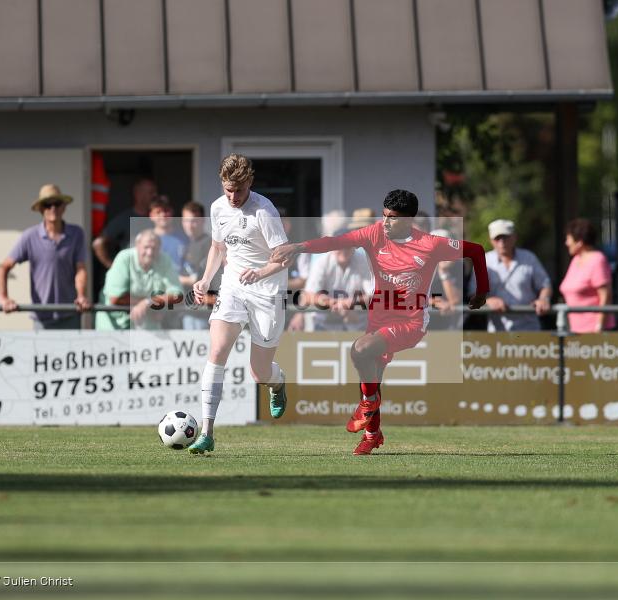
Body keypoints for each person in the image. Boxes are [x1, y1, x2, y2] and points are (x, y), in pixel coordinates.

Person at [272, 189, 489, 455]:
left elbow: (477, 251)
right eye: (384, 215)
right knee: (372, 374)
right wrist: (299, 246)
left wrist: (481, 291)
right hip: (379, 317)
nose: (385, 222)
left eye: (393, 218)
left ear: (408, 220)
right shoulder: (375, 233)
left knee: (360, 351)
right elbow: (335, 242)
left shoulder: (431, 244)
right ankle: (373, 434)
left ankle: (368, 404)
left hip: (411, 322)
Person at [188, 154, 290, 454]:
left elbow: (283, 257)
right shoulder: (218, 208)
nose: (233, 197)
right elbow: (218, 247)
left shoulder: (264, 210)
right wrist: (206, 279)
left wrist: (260, 272)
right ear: (222, 183)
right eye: (228, 189)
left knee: (259, 372)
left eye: (240, 190)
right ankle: (207, 432)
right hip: (232, 286)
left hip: (267, 290)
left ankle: (278, 383)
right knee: (217, 351)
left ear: (250, 183)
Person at [0, 184, 91, 329]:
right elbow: (4, 267)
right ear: (41, 209)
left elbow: (80, 269)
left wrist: (81, 295)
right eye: (48, 205)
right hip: (41, 317)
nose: (53, 208)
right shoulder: (30, 236)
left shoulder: (76, 233)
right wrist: (4, 299)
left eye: (57, 203)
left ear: (64, 207)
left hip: (70, 314)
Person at [96, 230, 183, 330]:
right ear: (137, 246)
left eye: (154, 248)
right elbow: (116, 298)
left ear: (159, 248)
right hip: (115, 325)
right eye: (146, 247)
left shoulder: (164, 259)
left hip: (148, 327)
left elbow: (178, 296)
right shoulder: (124, 258)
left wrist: (149, 302)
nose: (149, 252)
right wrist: (152, 304)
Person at [483, 219, 551, 331]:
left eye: (505, 237)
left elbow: (545, 284)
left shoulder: (529, 258)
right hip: (497, 331)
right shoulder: (484, 260)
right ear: (491, 240)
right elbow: (474, 292)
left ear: (514, 237)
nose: (502, 242)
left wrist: (544, 299)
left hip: (528, 329)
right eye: (497, 238)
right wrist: (488, 300)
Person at [301, 227, 374, 332]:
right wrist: (334, 304)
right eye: (339, 246)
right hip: (323, 326)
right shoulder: (322, 262)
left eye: (347, 246)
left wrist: (350, 303)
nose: (343, 250)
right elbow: (307, 296)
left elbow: (374, 296)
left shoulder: (363, 261)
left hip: (356, 324)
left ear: (354, 247)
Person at [559, 218, 614, 333]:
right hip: (575, 330)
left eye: (568, 239)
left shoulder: (597, 259)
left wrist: (599, 326)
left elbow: (605, 296)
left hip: (594, 332)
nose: (566, 243)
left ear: (579, 242)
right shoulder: (575, 260)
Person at [93, 177, 158, 269]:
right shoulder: (124, 218)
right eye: (151, 192)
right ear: (138, 194)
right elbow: (98, 243)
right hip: (133, 273)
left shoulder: (158, 218)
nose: (155, 195)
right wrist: (113, 267)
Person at [179, 201, 220, 330]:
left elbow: (199, 278)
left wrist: (176, 279)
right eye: (186, 221)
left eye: (194, 221)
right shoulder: (187, 245)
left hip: (205, 312)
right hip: (190, 310)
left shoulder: (209, 244)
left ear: (203, 221)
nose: (189, 225)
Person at [147, 196, 188, 271]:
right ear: (151, 215)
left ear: (172, 212)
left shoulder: (185, 238)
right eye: (158, 212)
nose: (163, 214)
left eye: (166, 211)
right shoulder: (145, 240)